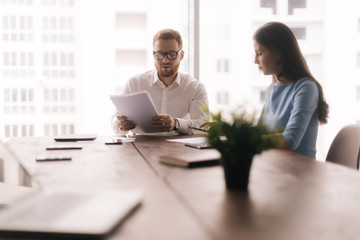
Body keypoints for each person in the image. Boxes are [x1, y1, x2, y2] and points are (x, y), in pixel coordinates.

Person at [253, 22, 329, 158]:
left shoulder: (306, 88)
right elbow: (259, 132)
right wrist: (225, 130)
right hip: (273, 166)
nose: (255, 61)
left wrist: (247, 140)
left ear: (278, 54)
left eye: (259, 53)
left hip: (298, 173)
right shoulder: (271, 89)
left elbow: (290, 140)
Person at [112, 28, 209, 135]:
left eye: (172, 54)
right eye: (159, 54)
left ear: (181, 55)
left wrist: (176, 124)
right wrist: (120, 125)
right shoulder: (135, 83)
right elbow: (115, 121)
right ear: (154, 55)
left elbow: (203, 127)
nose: (165, 60)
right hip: (140, 147)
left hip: (179, 149)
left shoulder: (195, 88)